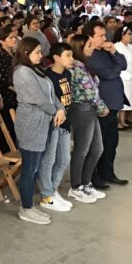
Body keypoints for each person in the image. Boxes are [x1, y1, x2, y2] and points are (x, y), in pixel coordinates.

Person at [13, 37, 66, 226]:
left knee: (35, 167)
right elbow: (39, 99)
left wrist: (61, 108)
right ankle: (25, 208)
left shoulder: (36, 70)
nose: (41, 55)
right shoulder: (22, 72)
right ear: (26, 53)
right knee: (30, 168)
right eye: (37, 52)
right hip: (31, 124)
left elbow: (51, 96)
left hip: (44, 123)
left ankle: (29, 205)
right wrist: (56, 110)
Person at [86, 21, 128, 188]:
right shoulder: (90, 56)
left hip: (114, 102)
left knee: (111, 142)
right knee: (99, 142)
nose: (105, 38)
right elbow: (109, 74)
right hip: (103, 104)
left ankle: (108, 172)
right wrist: (116, 65)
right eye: (100, 36)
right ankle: (94, 176)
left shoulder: (105, 51)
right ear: (90, 37)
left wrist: (113, 52)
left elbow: (123, 65)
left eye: (105, 35)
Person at [67, 34, 108, 204]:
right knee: (81, 150)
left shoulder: (85, 66)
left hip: (91, 109)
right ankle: (76, 187)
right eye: (89, 46)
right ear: (80, 48)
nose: (92, 48)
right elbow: (88, 92)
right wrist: (102, 107)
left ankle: (86, 182)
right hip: (82, 109)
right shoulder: (77, 67)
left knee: (97, 149)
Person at [39, 43, 74, 213]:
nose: (71, 59)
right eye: (68, 55)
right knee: (49, 159)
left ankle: (53, 190)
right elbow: (48, 103)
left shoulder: (67, 74)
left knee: (64, 159)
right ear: (56, 57)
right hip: (53, 124)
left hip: (66, 123)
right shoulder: (47, 77)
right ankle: (46, 195)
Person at [114, 26, 132, 128]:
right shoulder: (116, 46)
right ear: (122, 35)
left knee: (127, 101)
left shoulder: (131, 47)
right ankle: (118, 123)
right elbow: (124, 64)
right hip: (123, 77)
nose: (131, 36)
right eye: (129, 34)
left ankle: (123, 121)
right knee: (121, 101)